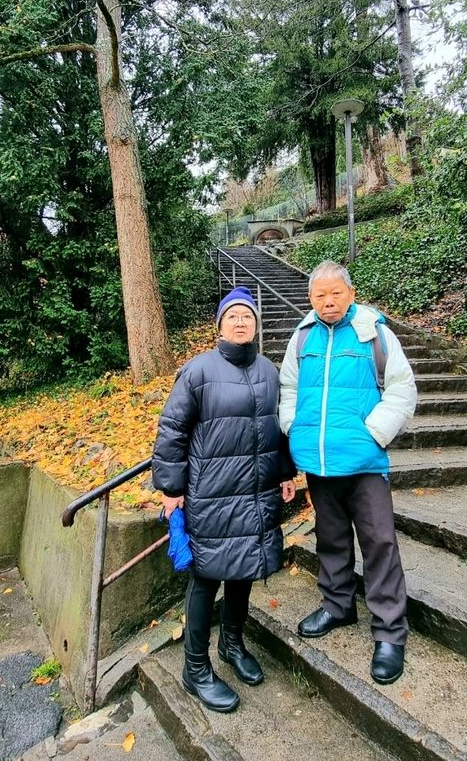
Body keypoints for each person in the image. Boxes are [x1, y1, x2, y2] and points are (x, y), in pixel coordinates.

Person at [152, 285, 296, 713]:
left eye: (247, 316)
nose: (240, 322)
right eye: (232, 316)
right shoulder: (197, 371)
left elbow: (278, 427)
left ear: (255, 324)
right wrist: (171, 488)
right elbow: (171, 431)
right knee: (206, 578)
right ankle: (194, 669)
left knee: (243, 572)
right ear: (220, 325)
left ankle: (232, 645)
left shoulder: (270, 371)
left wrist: (287, 472)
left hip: (256, 492)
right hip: (211, 495)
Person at [279, 261, 417, 685]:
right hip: (320, 463)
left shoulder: (374, 332)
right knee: (331, 538)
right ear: (310, 299)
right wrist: (294, 429)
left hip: (364, 462)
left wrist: (373, 433)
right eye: (320, 296)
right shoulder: (303, 336)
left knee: (378, 542)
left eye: (335, 293)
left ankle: (390, 632)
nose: (328, 302)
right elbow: (288, 389)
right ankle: (337, 606)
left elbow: (402, 387)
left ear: (351, 294)